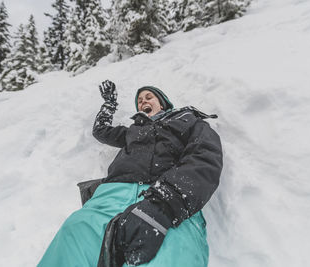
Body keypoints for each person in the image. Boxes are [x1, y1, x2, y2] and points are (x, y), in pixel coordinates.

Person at [38, 80, 223, 267]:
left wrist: (163, 206)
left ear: (163, 103)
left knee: (171, 255)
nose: (143, 102)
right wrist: (109, 104)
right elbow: (100, 131)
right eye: (140, 100)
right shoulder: (133, 131)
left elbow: (204, 157)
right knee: (74, 234)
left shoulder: (188, 120)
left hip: (168, 200)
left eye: (149, 97)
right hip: (111, 195)